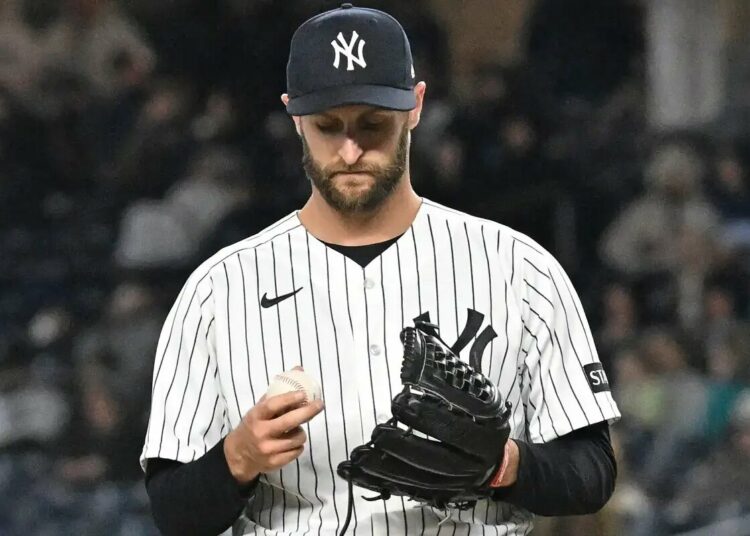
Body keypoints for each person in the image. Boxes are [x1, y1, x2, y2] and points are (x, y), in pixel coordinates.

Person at [141, 4, 621, 535]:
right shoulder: (219, 290)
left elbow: (592, 471)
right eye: (328, 126)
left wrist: (505, 465)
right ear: (294, 116)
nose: (350, 150)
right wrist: (237, 459)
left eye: (373, 125)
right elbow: (172, 510)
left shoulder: (521, 269)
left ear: (415, 106)